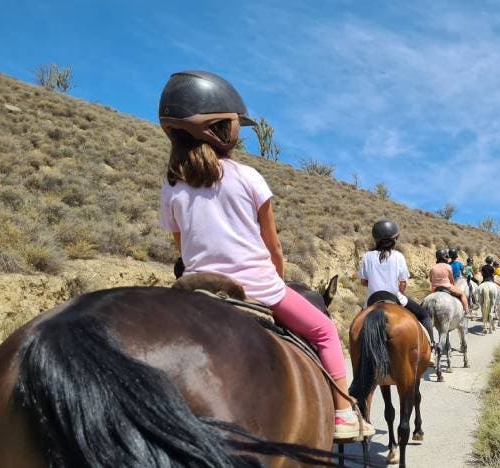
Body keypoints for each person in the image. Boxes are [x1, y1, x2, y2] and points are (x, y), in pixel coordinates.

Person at [156, 70, 372, 440]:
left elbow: (180, 247)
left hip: (195, 288)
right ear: (220, 128)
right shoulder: (249, 177)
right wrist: (276, 273)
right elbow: (272, 245)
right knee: (323, 331)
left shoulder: (172, 186)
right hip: (258, 287)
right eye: (237, 124)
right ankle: (342, 414)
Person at [359, 219, 435, 345]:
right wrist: (399, 289)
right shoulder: (398, 256)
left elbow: (363, 281)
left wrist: (374, 283)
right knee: (424, 315)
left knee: (356, 325)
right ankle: (431, 347)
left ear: (376, 239)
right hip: (395, 297)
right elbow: (403, 283)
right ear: (394, 239)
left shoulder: (367, 256)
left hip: (371, 300)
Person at [429, 249, 469, 313]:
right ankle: (467, 311)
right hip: (447, 287)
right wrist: (452, 284)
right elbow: (451, 280)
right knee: (462, 294)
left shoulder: (433, 267)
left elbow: (431, 280)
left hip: (435, 288)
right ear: (444, 257)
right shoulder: (448, 266)